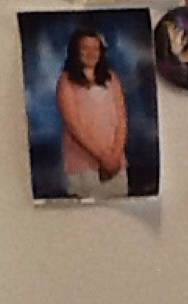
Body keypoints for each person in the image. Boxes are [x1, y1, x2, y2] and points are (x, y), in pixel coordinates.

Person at [56, 28, 129, 199]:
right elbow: (74, 127)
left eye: (95, 48)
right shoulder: (66, 81)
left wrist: (115, 156)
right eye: (85, 48)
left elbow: (121, 120)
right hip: (83, 164)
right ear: (76, 51)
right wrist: (102, 157)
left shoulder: (112, 79)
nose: (91, 53)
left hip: (115, 164)